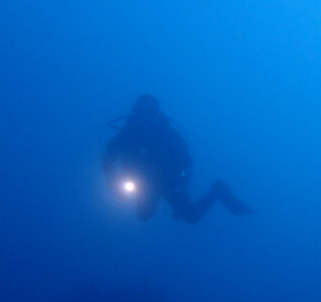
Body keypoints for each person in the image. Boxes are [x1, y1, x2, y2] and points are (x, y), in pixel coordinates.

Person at [104, 94, 253, 222]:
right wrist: (114, 185)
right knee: (144, 216)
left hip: (169, 182)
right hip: (141, 183)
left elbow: (186, 160)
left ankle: (217, 190)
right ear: (136, 113)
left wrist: (181, 180)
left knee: (190, 217)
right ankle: (213, 193)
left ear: (155, 114)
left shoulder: (168, 134)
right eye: (142, 112)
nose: (145, 118)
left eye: (149, 113)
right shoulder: (126, 135)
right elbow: (108, 159)